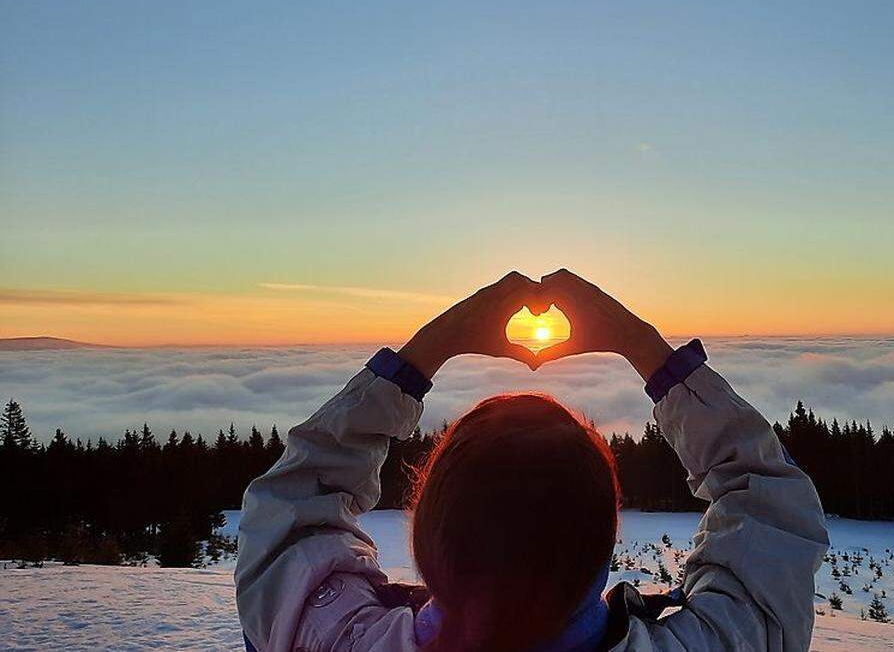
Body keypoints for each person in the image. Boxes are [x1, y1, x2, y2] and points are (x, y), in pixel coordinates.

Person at [235, 269, 829, 651]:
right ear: (604, 540)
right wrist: (640, 345)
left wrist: (428, 350)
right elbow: (764, 498)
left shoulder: (327, 638)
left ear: (428, 544)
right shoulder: (721, 644)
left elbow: (293, 505)